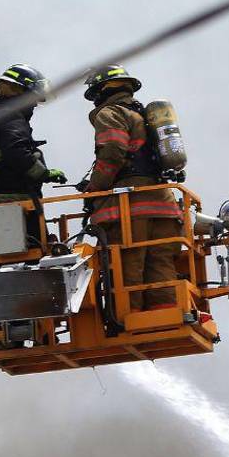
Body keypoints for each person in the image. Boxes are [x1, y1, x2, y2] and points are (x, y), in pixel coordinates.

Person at [80, 64, 183, 312]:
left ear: (100, 91)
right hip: (163, 204)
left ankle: (128, 321)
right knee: (161, 265)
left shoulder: (110, 113)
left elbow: (113, 153)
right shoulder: (144, 117)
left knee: (127, 266)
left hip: (130, 207)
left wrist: (94, 189)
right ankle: (163, 319)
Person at [0, 64, 66, 254]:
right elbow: (15, 152)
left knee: (12, 252)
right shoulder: (12, 117)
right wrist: (44, 173)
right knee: (36, 253)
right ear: (21, 93)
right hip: (15, 197)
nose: (34, 105)